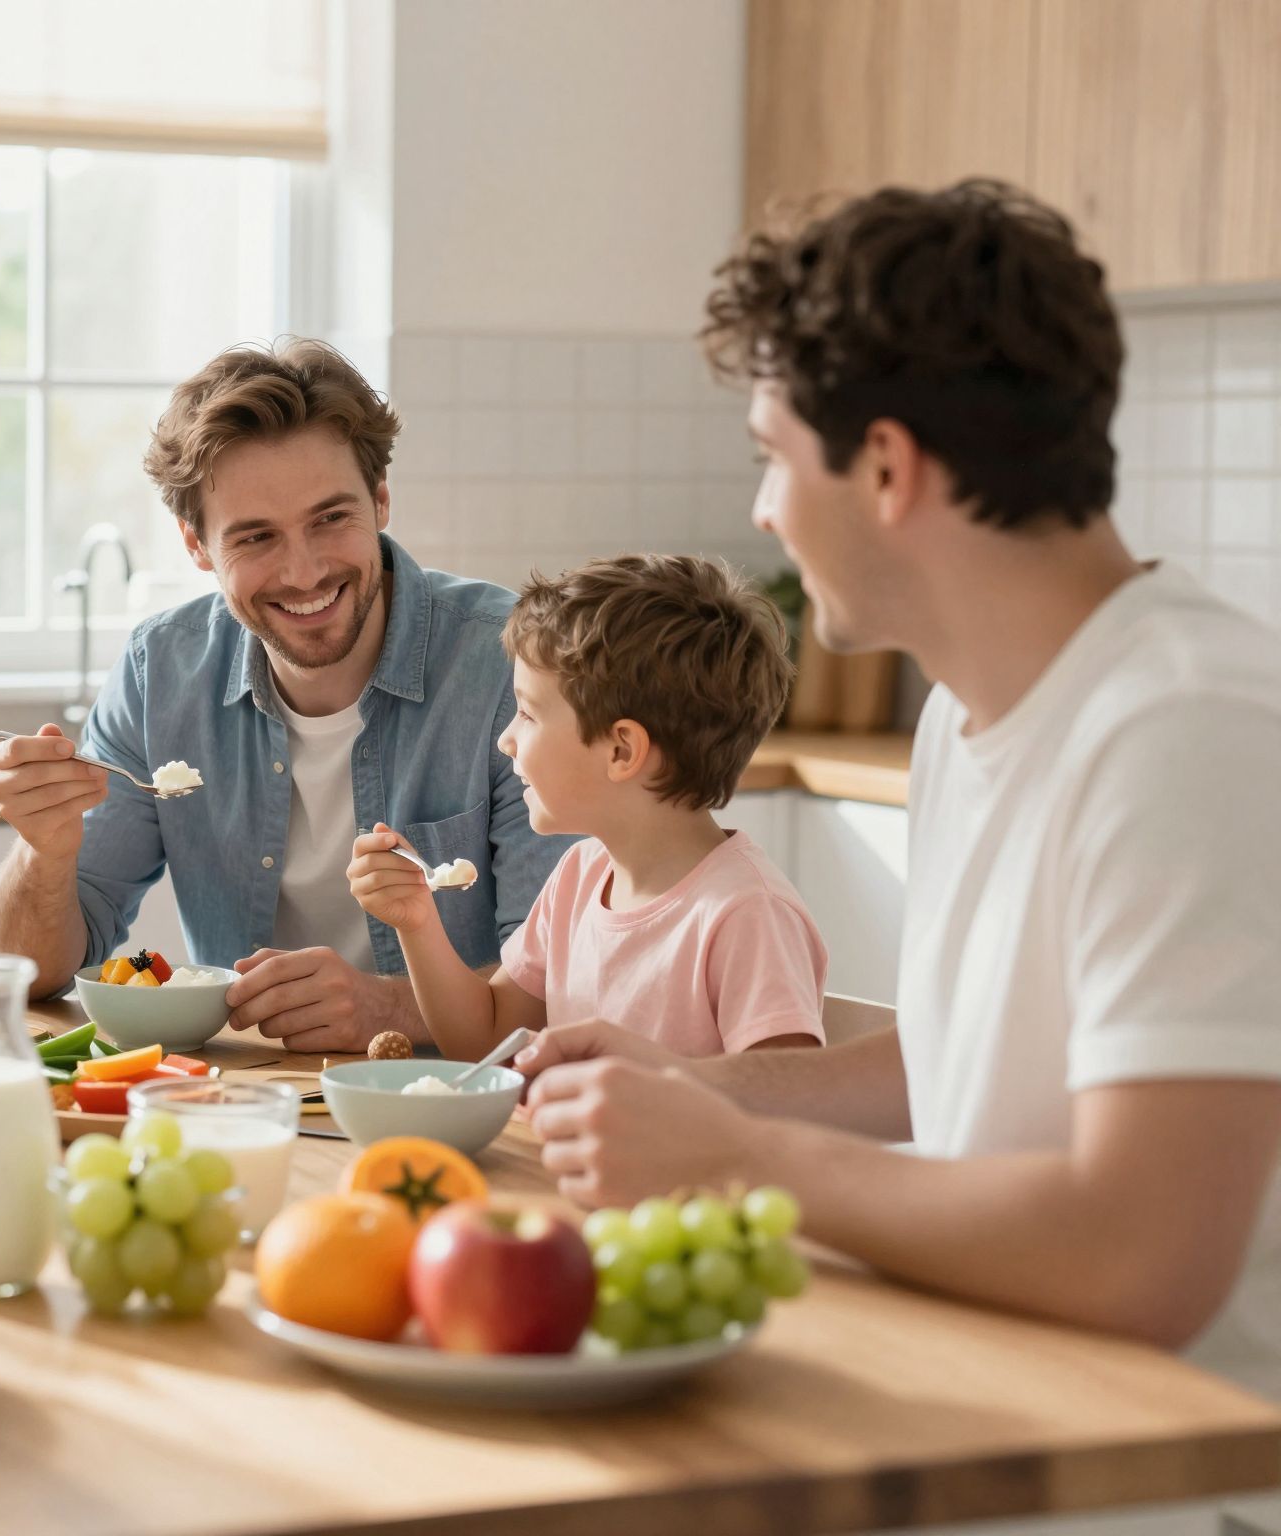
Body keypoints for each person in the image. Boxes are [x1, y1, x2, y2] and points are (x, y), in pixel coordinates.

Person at [517, 179, 1281, 1394]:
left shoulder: (1182, 726)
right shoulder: (967, 720)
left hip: (1178, 1477)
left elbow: (1144, 1255)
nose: (763, 510)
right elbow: (949, 1064)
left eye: (771, 458)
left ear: (883, 467)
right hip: (997, 1402)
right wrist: (686, 1089)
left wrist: (738, 1157)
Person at [0, 339, 577, 1051]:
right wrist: (42, 854)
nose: (304, 572)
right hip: (246, 1099)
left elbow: (571, 981)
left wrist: (389, 1008)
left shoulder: (509, 666)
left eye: (331, 518)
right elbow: (31, 973)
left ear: (381, 499)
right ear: (197, 547)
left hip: (465, 1103)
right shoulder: (160, 673)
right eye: (256, 537)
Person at [349, 553, 824, 1062]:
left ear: (621, 750)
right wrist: (418, 923)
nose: (506, 741)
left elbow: (785, 1096)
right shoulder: (579, 877)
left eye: (527, 714)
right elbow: (485, 1040)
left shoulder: (748, 914)